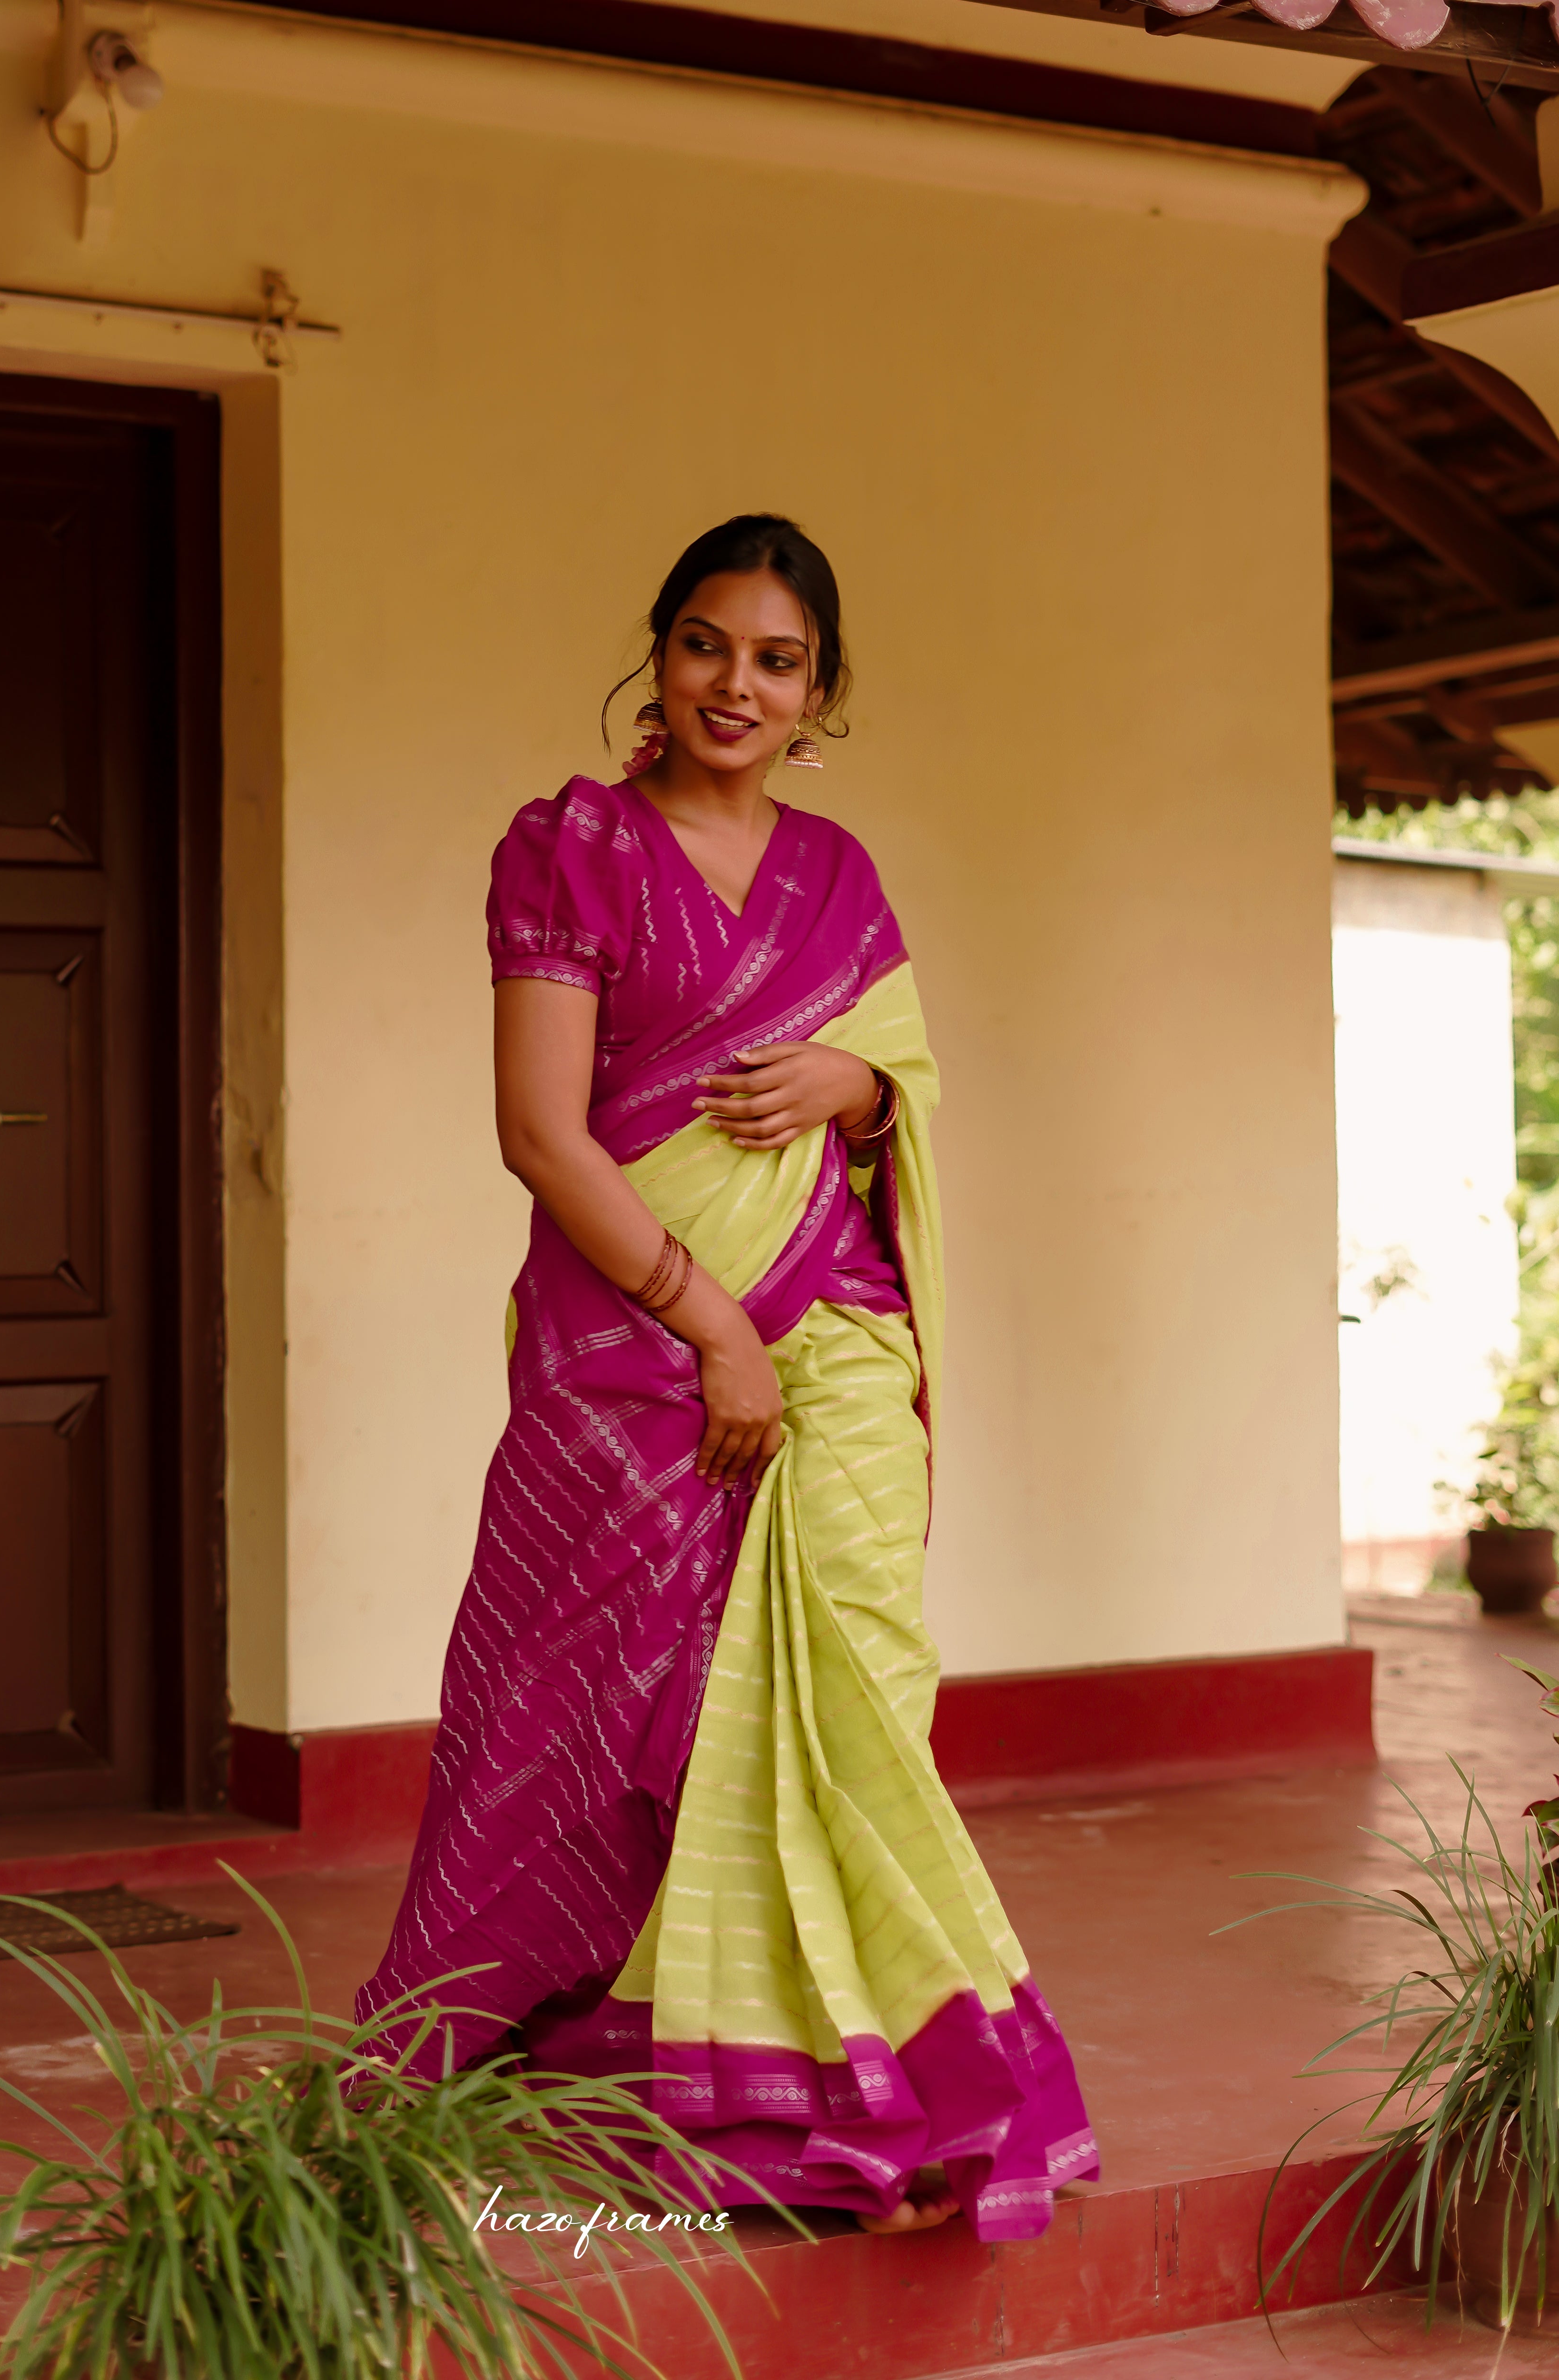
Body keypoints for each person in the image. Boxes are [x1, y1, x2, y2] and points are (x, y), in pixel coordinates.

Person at [356, 514, 1096, 2241]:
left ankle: (843, 2069)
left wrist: (857, 1080)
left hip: (837, 1331)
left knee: (845, 1683)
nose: (735, 684)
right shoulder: (571, 849)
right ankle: (572, 2036)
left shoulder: (844, 877)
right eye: (705, 644)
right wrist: (714, 1325)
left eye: (776, 659)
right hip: (627, 1348)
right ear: (660, 653)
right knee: (578, 1694)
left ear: (822, 686)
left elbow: (901, 1076)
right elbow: (540, 1129)